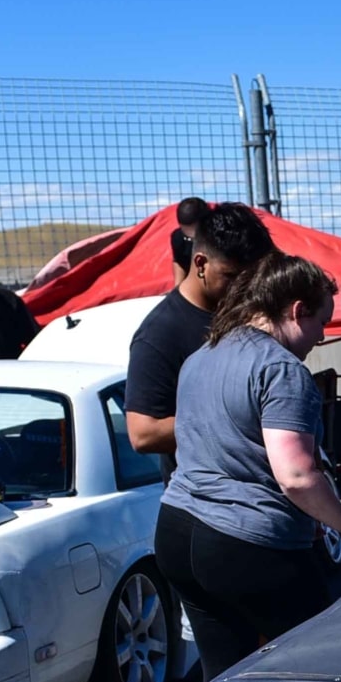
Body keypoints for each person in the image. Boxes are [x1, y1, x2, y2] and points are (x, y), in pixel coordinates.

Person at [155, 255, 341, 682]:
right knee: (314, 670)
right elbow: (295, 476)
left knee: (223, 675)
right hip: (244, 542)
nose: (322, 335)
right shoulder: (282, 369)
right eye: (321, 321)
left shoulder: (202, 355)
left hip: (178, 532)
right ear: (295, 311)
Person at [127, 203, 276, 483]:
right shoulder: (160, 332)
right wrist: (239, 418)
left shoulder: (245, 311)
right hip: (206, 506)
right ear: (200, 264)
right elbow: (143, 433)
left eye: (250, 278)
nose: (243, 289)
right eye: (231, 276)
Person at [171, 196, 210, 287]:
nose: (193, 237)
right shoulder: (179, 238)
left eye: (196, 232)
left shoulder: (220, 236)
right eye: (187, 232)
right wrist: (178, 287)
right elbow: (179, 262)